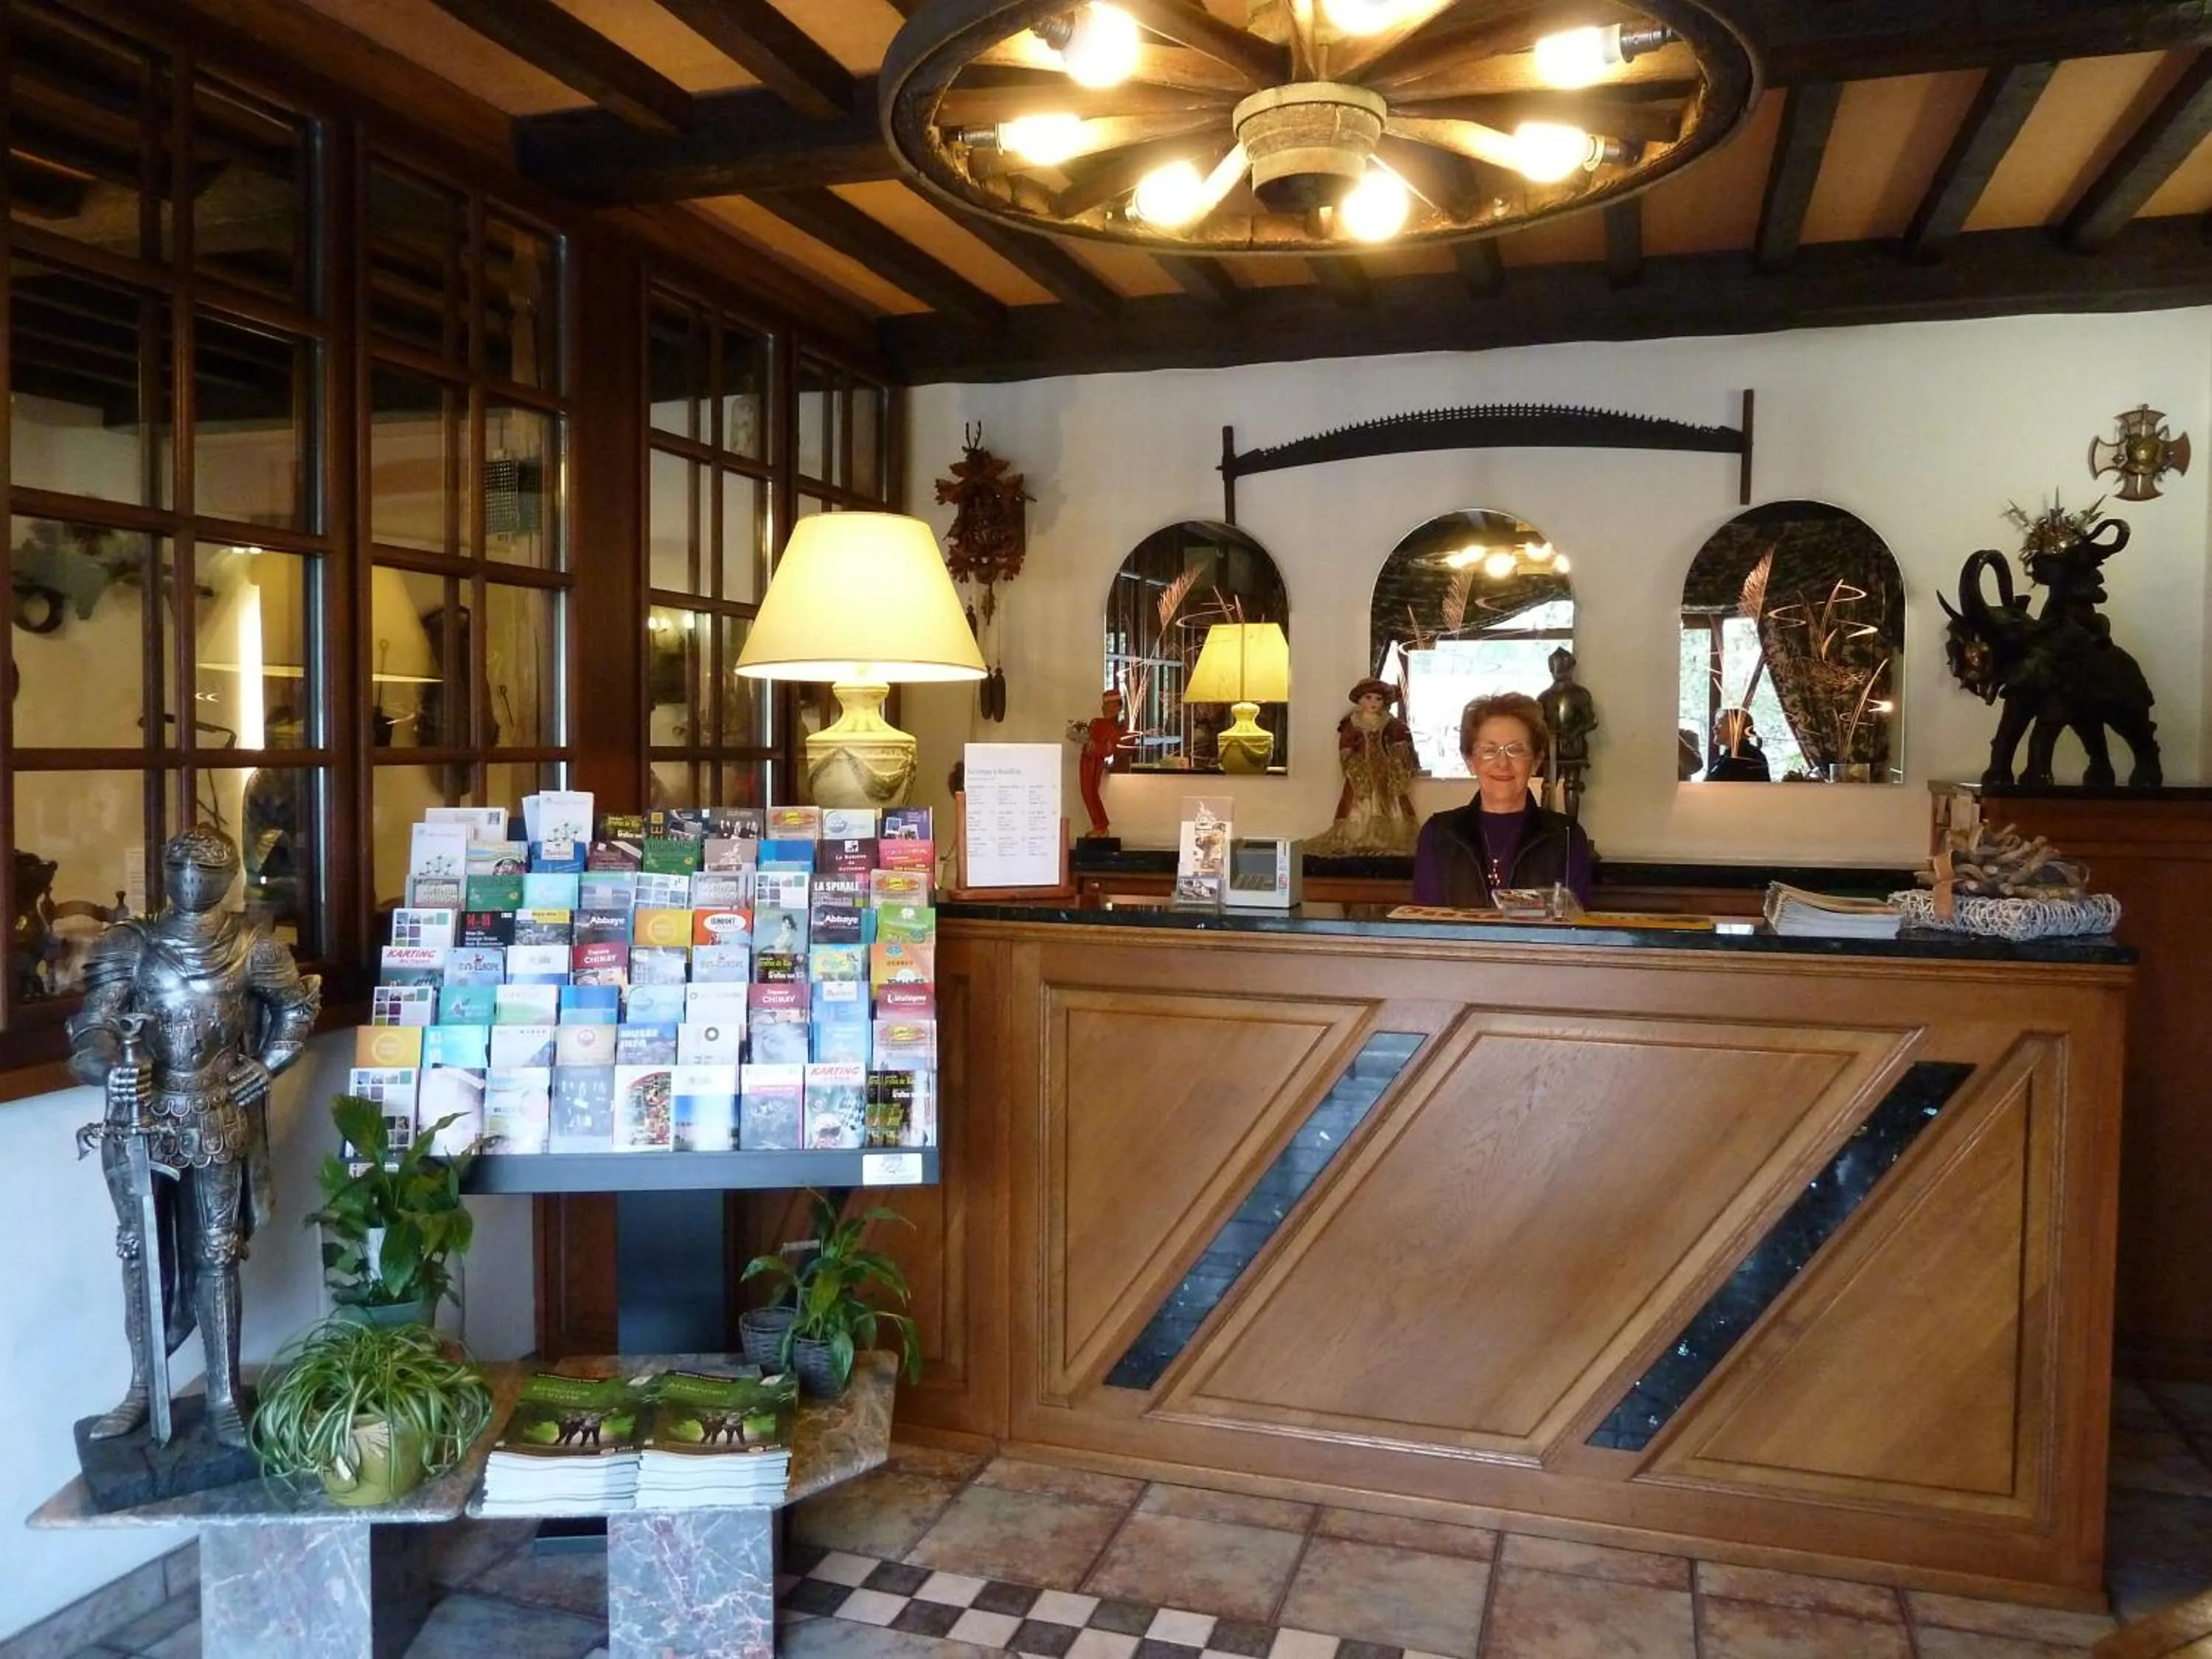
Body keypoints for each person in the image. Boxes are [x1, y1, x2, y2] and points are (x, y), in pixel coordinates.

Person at [66, 825, 321, 1447]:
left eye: (207, 869)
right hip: (143, 1115)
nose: (193, 880)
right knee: (138, 1251)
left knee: (216, 1253)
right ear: (166, 871)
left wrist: (267, 1065)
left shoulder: (253, 947)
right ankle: (143, 1385)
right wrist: (115, 1069)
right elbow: (91, 1031)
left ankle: (224, 1394)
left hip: (213, 1107)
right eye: (182, 867)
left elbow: (298, 1007)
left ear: (229, 876)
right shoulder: (132, 944)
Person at [1411, 692, 1595, 908]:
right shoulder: (1438, 834)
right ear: (1470, 761)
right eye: (1489, 751)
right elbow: (1427, 927)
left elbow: (1571, 930)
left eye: (1516, 750)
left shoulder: (1566, 836)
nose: (1503, 763)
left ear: (1535, 762)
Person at [1307, 678, 1419, 855]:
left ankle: (1387, 838)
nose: (1373, 703)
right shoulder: (1353, 724)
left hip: (1385, 772)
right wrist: (1353, 764)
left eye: (1378, 699)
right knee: (1361, 802)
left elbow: (1401, 745)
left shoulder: (1391, 723)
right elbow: (1346, 747)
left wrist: (1398, 762)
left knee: (1391, 803)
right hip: (1363, 773)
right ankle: (1360, 836)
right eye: (1368, 698)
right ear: (1360, 700)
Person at [1067, 687, 1135, 838]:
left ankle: (1101, 825)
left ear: (1119, 708)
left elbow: (1109, 749)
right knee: (1087, 792)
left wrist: (1092, 746)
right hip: (1088, 760)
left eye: (1111, 706)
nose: (1106, 709)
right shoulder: (1097, 723)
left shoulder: (1117, 728)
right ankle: (1100, 825)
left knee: (1090, 792)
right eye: (1105, 706)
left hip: (1095, 761)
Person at [1705, 706, 1773, 782]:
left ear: (1737, 727)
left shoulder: (1746, 757)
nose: (1714, 728)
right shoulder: (1728, 756)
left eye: (1720, 723)